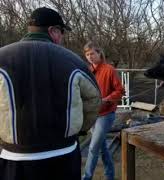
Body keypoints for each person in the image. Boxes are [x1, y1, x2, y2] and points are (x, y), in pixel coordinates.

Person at [0, 7, 101, 180]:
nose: (61, 38)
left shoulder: (2, 57)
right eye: (61, 32)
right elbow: (94, 99)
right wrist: (80, 128)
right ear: (53, 31)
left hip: (14, 158)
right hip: (63, 155)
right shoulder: (72, 60)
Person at [82, 41, 124, 180]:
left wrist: (107, 98)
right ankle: (110, 175)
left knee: (93, 148)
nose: (90, 56)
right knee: (102, 148)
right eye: (87, 54)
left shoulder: (109, 69)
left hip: (106, 115)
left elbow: (120, 91)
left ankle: (86, 177)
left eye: (92, 53)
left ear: (99, 53)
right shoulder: (87, 70)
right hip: (92, 115)